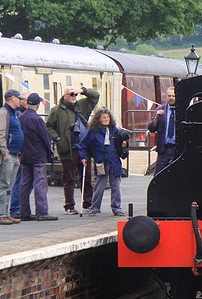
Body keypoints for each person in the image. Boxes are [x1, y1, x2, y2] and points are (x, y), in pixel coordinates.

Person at [47, 86, 99, 214]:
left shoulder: (82, 106)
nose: (73, 97)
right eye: (71, 94)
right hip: (68, 149)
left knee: (86, 177)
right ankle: (69, 205)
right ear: (64, 96)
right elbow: (49, 127)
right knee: (69, 178)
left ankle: (88, 204)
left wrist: (82, 91)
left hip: (84, 148)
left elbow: (95, 96)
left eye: (75, 95)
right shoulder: (57, 110)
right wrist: (58, 138)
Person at [79, 108, 127, 216]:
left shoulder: (114, 129)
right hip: (101, 162)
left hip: (114, 161)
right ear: (98, 120)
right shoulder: (93, 131)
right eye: (104, 118)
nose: (106, 119)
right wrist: (83, 157)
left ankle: (117, 208)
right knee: (99, 186)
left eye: (107, 117)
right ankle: (94, 208)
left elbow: (122, 141)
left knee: (116, 187)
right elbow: (82, 144)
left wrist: (124, 144)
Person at [19, 93, 57, 221]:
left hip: (25, 154)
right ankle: (42, 211)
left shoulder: (21, 117)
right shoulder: (37, 119)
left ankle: (24, 211)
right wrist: (49, 152)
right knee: (40, 184)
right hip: (37, 155)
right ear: (38, 104)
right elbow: (45, 138)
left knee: (25, 184)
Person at [0, 90, 25, 225]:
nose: (21, 101)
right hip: (7, 155)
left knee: (8, 186)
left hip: (14, 154)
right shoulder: (3, 113)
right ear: (12, 98)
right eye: (19, 99)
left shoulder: (13, 114)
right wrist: (4, 152)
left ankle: (4, 213)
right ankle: (0, 215)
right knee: (3, 185)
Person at [9, 92, 30, 219]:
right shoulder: (17, 115)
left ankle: (20, 208)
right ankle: (15, 208)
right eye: (24, 100)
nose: (26, 102)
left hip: (24, 152)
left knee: (24, 182)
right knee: (19, 182)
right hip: (19, 153)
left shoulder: (19, 115)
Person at [148, 86, 176, 175]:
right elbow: (151, 129)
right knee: (158, 175)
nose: (171, 98)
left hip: (177, 149)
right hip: (164, 149)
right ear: (166, 97)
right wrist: (156, 118)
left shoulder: (182, 110)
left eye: (173, 96)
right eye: (169, 96)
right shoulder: (160, 109)